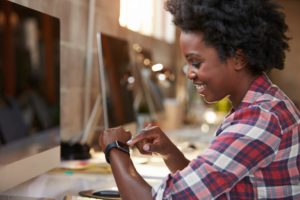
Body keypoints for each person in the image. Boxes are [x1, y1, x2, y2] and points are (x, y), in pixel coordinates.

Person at [99, 0, 300, 199]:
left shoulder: (259, 120)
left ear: (238, 59)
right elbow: (208, 187)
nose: (189, 74)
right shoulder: (260, 106)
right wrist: (170, 152)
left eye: (196, 63)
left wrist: (115, 149)